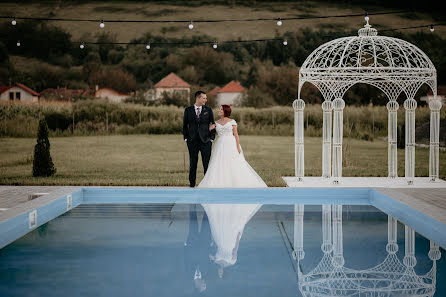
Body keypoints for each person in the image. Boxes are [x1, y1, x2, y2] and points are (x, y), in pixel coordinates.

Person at [198, 104, 267, 188]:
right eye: (219, 109)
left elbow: (236, 135)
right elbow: (213, 134)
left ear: (225, 111)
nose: (219, 111)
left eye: (221, 110)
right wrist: (209, 129)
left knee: (234, 162)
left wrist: (237, 146)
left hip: (231, 143)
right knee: (219, 162)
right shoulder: (215, 123)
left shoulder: (232, 121)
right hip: (220, 145)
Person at [202, 203, 262, 278]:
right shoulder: (231, 262)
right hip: (230, 242)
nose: (219, 272)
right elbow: (236, 249)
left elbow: (210, 253)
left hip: (219, 239)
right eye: (221, 274)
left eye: (218, 273)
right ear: (225, 273)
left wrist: (211, 257)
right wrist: (237, 237)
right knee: (232, 223)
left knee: (222, 222)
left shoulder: (216, 261)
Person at [183, 91, 216, 188]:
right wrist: (186, 138)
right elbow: (185, 125)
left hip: (206, 141)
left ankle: (207, 184)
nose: (206, 100)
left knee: (207, 164)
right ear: (198, 98)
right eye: (204, 98)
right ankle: (192, 184)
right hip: (192, 141)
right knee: (193, 163)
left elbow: (213, 124)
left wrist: (211, 139)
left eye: (206, 98)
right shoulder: (188, 110)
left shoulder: (208, 110)